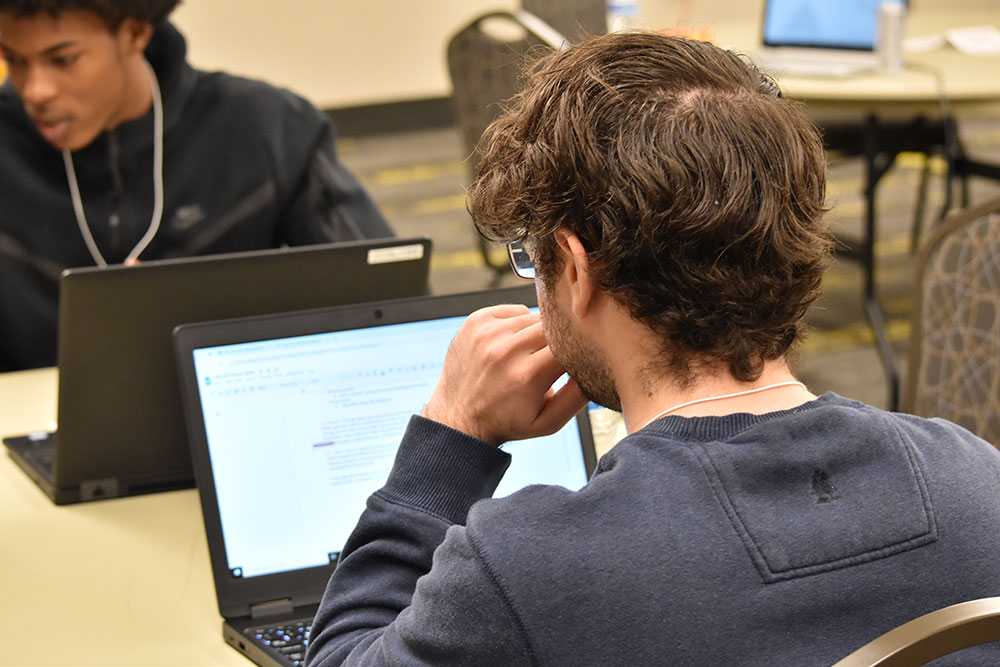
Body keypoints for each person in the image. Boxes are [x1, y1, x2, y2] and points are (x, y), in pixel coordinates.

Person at [305, 32, 1000, 666]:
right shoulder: (978, 481)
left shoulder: (528, 569)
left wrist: (452, 433)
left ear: (576, 269)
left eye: (532, 258)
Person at [0, 0, 393, 371]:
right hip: (29, 421)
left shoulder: (265, 127)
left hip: (235, 403)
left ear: (135, 33)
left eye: (63, 59)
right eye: (13, 59)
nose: (36, 90)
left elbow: (387, 297)